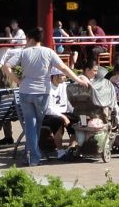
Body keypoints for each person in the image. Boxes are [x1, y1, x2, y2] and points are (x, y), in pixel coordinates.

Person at [13, 30, 86, 167]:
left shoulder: (23, 52)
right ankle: (33, 155)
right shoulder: (48, 52)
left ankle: (32, 156)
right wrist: (78, 80)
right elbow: (64, 68)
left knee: (30, 125)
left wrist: (17, 81)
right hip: (42, 92)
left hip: (25, 92)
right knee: (36, 125)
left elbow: (6, 66)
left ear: (30, 38)